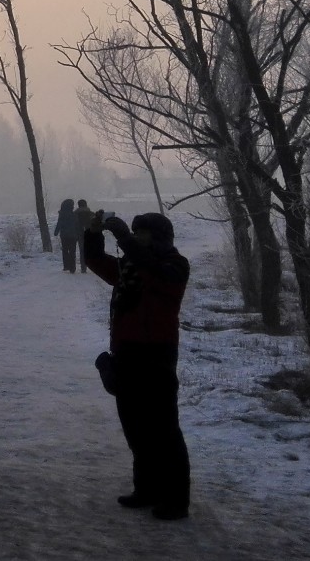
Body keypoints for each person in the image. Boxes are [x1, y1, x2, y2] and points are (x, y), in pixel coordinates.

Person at [83, 211, 191, 520]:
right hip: (127, 353)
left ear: (159, 237)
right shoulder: (130, 267)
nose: (137, 237)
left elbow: (155, 271)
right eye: (135, 233)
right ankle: (146, 489)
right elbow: (96, 262)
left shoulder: (174, 266)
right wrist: (93, 233)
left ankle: (175, 500)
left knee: (164, 431)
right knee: (136, 429)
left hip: (157, 356)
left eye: (142, 233)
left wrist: (124, 239)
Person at [56, 198, 82, 273]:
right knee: (72, 251)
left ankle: (66, 265)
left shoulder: (62, 215)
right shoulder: (74, 215)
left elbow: (59, 224)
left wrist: (56, 232)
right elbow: (77, 225)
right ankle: (72, 267)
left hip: (64, 235)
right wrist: (78, 233)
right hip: (73, 236)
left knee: (65, 250)